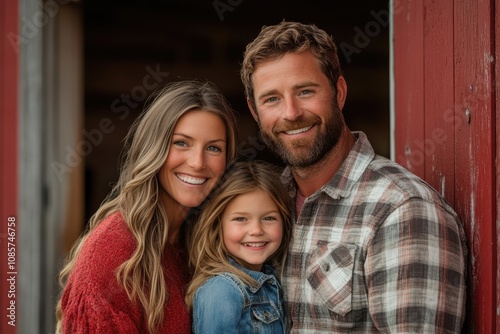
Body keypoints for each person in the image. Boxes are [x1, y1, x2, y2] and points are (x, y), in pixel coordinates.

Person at [240, 21, 467, 333]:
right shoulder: (265, 204)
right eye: (272, 99)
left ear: (339, 93)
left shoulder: (401, 210)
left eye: (305, 91)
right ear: (255, 112)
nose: (290, 113)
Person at [55, 80, 238, 334]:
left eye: (213, 148)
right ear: (154, 149)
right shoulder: (113, 252)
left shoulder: (202, 243)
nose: (197, 162)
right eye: (181, 143)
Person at [185, 160, 293, 333]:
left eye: (269, 218)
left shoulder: (273, 280)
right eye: (241, 219)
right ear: (217, 225)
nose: (256, 230)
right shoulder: (221, 290)